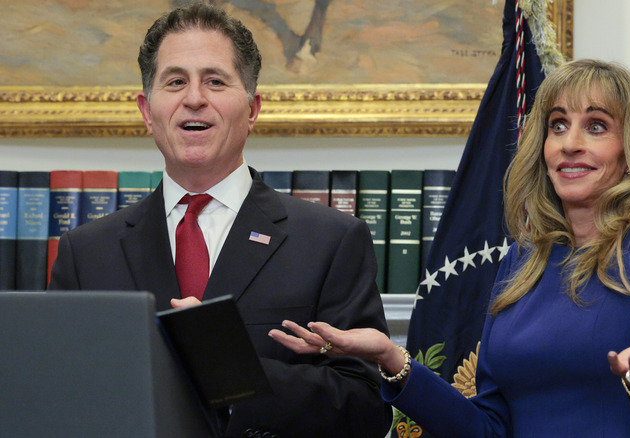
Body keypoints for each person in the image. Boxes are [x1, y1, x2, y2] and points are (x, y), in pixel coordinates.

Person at [270, 59, 630, 437]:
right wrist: (391, 357)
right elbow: (487, 428)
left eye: (596, 126)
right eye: (558, 125)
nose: (570, 144)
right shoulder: (523, 258)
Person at [48, 4, 392, 437]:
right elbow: (54, 397)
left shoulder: (331, 241)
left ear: (252, 109)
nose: (194, 98)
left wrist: (228, 366)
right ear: (147, 111)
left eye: (215, 81)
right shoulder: (85, 252)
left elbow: (365, 409)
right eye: (175, 81)